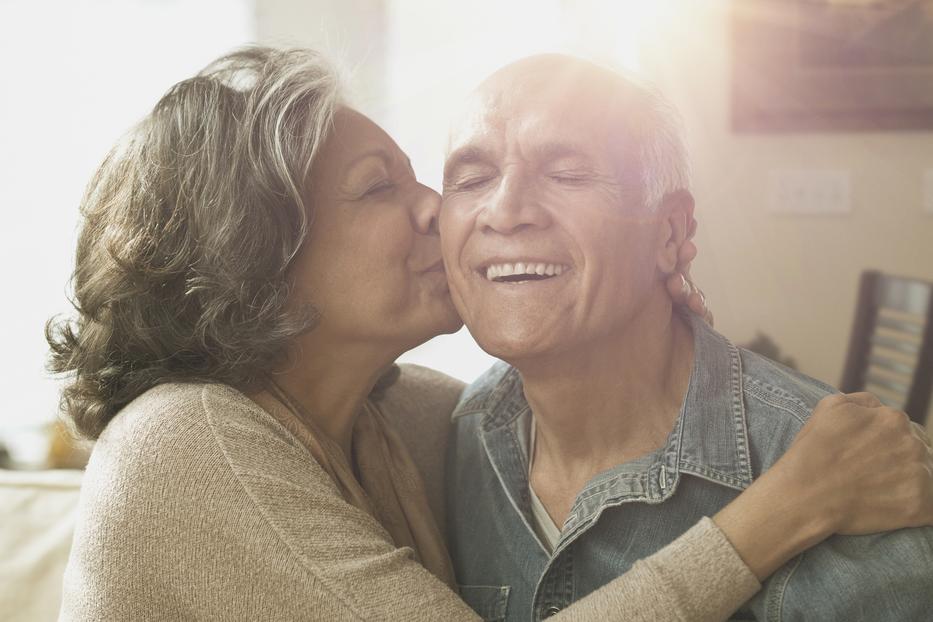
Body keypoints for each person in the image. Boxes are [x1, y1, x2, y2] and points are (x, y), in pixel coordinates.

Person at [49, 47, 932, 621]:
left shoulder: (414, 422)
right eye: (382, 188)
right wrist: (771, 517)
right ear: (260, 256)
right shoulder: (193, 443)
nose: (459, 211)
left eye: (565, 170)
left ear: (669, 232)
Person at [441, 54, 933, 621]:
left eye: (567, 173)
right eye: (472, 179)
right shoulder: (448, 436)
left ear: (670, 233)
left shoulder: (855, 501)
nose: (503, 211)